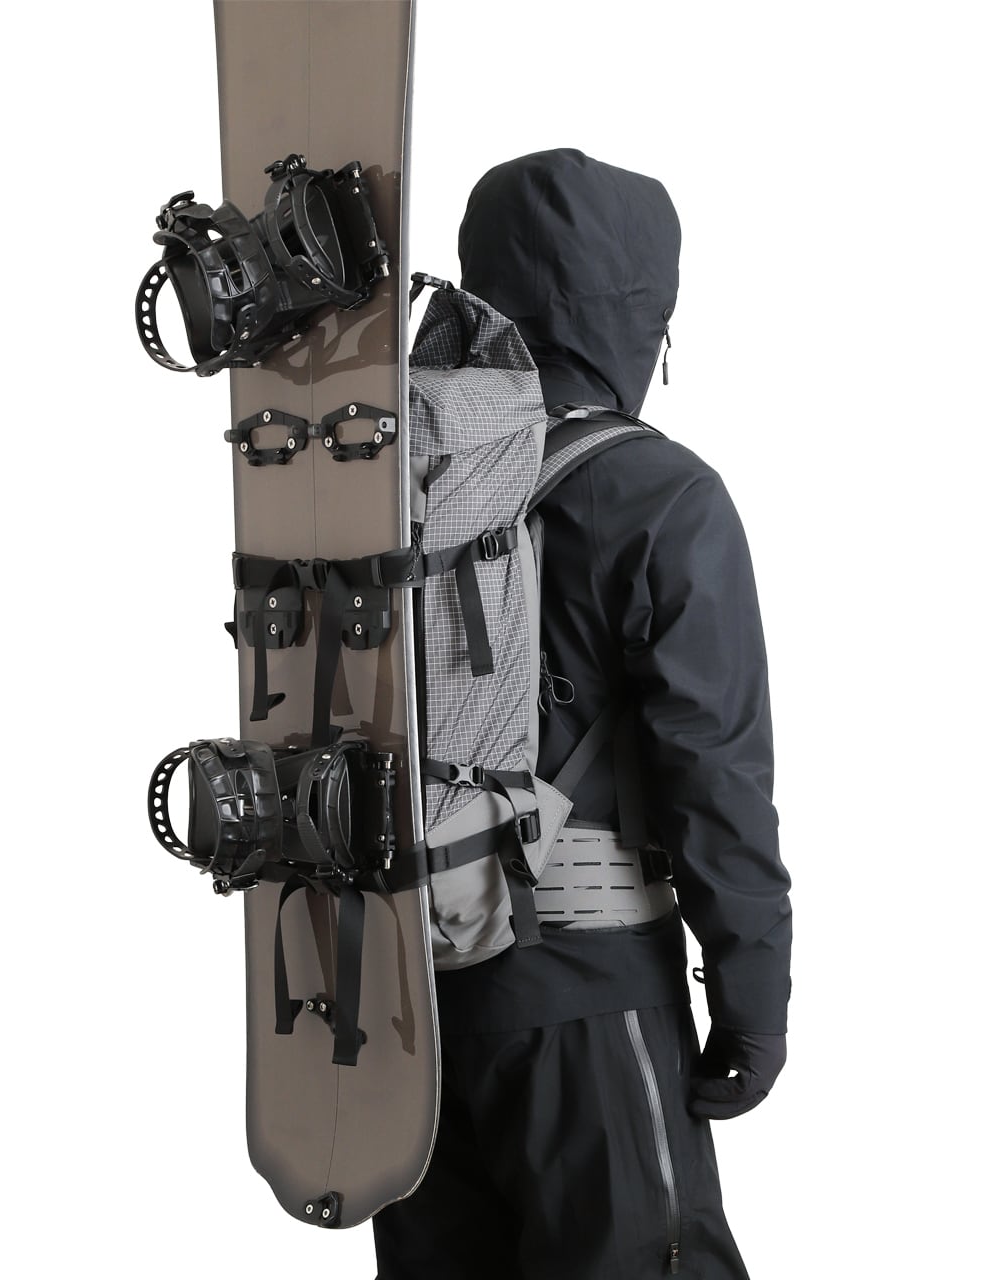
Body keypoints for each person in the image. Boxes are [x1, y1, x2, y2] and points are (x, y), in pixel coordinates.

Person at [373, 148, 792, 1280]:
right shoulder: (663, 495)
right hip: (590, 999)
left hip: (402, 1007)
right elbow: (714, 770)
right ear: (640, 314)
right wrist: (751, 995)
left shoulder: (387, 471)